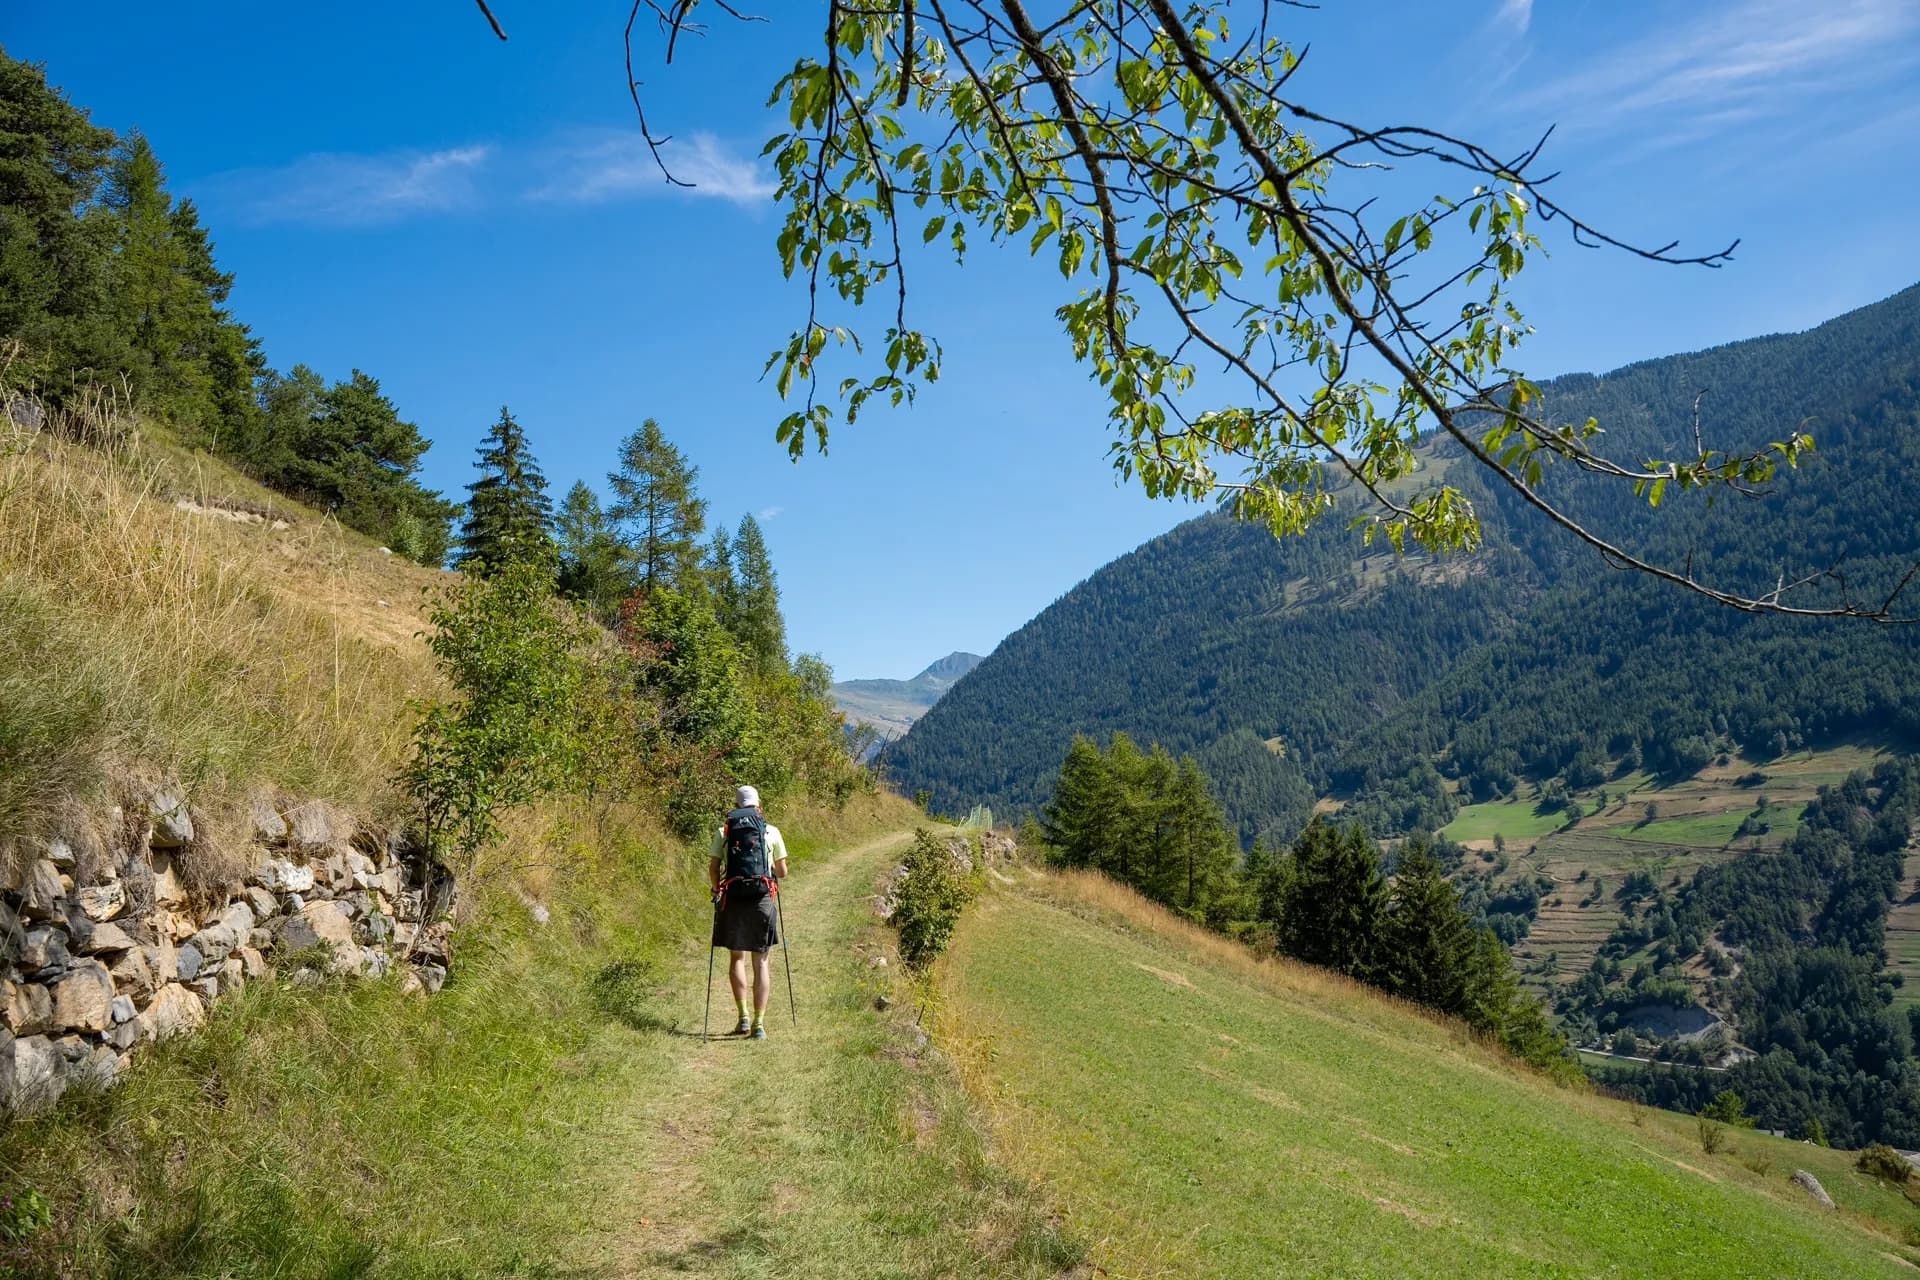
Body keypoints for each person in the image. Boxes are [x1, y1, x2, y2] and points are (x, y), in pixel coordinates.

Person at [709, 784, 789, 1039]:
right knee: (761, 960)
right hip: (761, 898)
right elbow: (783, 871)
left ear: (736, 805)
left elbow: (713, 866)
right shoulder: (770, 830)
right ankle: (759, 1024)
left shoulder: (724, 831)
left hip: (733, 898)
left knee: (737, 959)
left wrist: (716, 889)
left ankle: (742, 1017)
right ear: (758, 805)